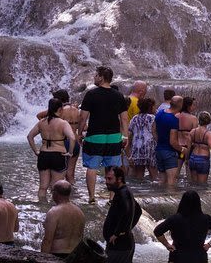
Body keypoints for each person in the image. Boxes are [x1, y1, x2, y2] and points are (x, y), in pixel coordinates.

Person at [78, 66, 129, 204]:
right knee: (112, 168)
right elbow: (124, 118)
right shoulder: (119, 96)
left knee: (92, 167)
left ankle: (92, 198)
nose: (94, 78)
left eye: (95, 75)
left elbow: (83, 117)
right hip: (114, 137)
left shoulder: (91, 94)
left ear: (101, 77)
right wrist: (125, 136)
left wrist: (79, 133)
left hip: (95, 136)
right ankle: (112, 198)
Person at [153, 190, 211, 263]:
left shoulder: (174, 219)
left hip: (178, 256)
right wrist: (209, 244)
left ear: (182, 203)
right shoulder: (206, 218)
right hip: (199, 256)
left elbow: (157, 231)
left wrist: (167, 244)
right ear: (198, 203)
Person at [27, 97, 75, 201]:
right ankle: (54, 210)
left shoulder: (42, 122)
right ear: (60, 109)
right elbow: (72, 137)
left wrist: (36, 150)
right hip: (58, 155)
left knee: (43, 186)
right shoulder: (63, 123)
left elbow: (29, 136)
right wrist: (70, 153)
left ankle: (42, 208)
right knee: (56, 187)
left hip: (44, 154)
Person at [41, 180, 85, 258]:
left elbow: (47, 240)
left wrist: (42, 258)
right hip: (74, 255)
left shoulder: (54, 212)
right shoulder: (80, 212)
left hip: (57, 254)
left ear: (55, 193)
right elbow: (81, 238)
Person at [103, 167, 137, 263]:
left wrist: (118, 233)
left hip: (119, 246)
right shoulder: (124, 191)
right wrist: (128, 228)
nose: (107, 182)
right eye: (106, 178)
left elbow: (127, 212)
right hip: (122, 244)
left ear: (119, 179)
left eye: (109, 179)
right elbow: (138, 211)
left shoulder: (123, 194)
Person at [153, 95, 184, 187]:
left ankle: (161, 198)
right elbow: (173, 142)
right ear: (180, 105)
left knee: (162, 179)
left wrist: (159, 141)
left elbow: (153, 129)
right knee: (171, 181)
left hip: (159, 150)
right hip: (169, 152)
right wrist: (182, 149)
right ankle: (171, 199)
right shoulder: (174, 120)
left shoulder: (160, 113)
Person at [126, 97, 158, 180]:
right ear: (150, 107)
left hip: (137, 146)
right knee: (153, 173)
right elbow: (154, 133)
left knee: (139, 174)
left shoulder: (134, 118)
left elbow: (130, 134)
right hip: (149, 146)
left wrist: (129, 148)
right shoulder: (153, 118)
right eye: (154, 106)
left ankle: (139, 191)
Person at [188, 111, 211, 184]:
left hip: (193, 158)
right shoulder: (209, 134)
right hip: (203, 159)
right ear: (208, 121)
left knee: (194, 183)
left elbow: (189, 147)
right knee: (202, 185)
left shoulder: (192, 132)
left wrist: (187, 159)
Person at [176, 97, 199, 176]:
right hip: (189, 147)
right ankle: (188, 189)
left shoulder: (176, 116)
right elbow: (195, 135)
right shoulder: (193, 119)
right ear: (189, 106)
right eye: (193, 105)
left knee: (176, 172)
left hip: (177, 146)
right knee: (189, 173)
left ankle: (172, 188)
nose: (195, 107)